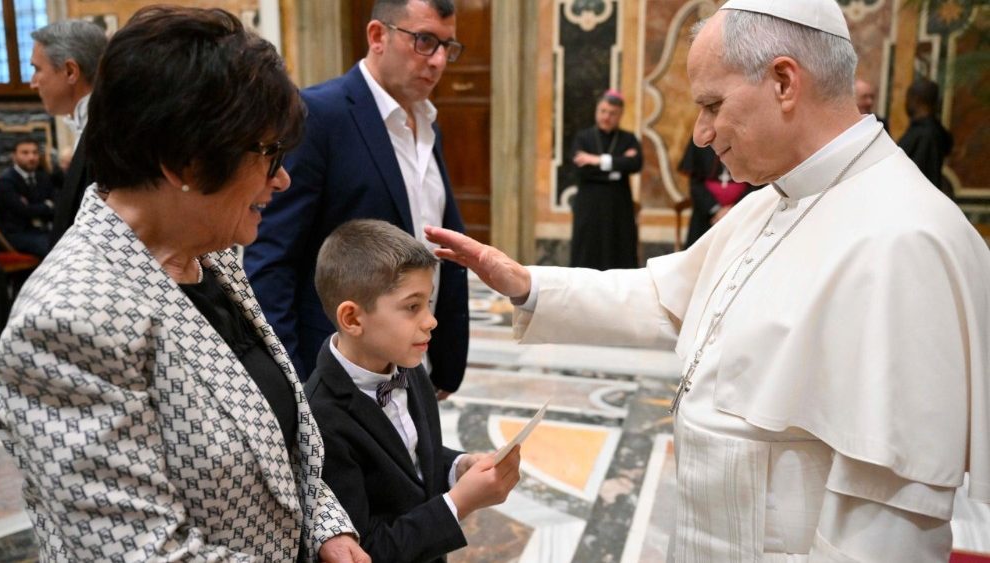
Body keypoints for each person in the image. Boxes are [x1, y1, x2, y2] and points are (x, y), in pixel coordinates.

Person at [424, 0, 990, 560]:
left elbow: (884, 535)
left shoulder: (907, 241)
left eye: (712, 105)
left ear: (784, 81)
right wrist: (524, 282)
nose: (700, 133)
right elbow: (666, 299)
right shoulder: (775, 199)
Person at [0, 7, 369, 561]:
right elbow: (145, 553)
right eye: (268, 155)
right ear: (184, 163)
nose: (282, 178)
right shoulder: (66, 321)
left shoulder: (209, 255)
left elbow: (280, 441)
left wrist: (327, 527)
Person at [244, 0, 469, 398]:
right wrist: (298, 384)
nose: (437, 61)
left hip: (411, 366)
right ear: (378, 35)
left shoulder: (429, 126)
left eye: (447, 47)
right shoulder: (320, 115)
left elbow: (440, 245)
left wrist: (447, 362)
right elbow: (273, 259)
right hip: (339, 372)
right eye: (424, 41)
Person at [305, 219, 521, 562]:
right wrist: (459, 503)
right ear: (352, 319)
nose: (430, 320)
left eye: (428, 303)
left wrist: (459, 467)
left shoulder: (410, 367)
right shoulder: (322, 417)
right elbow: (366, 549)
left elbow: (413, 455)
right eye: (412, 306)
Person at [29, 19, 107, 246]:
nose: (33, 83)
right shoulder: (90, 122)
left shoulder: (107, 134)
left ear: (70, 71)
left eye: (37, 69)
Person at [569, 89, 643, 269]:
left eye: (612, 113)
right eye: (603, 111)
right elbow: (581, 171)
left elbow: (635, 164)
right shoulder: (583, 138)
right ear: (597, 111)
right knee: (587, 253)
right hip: (589, 206)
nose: (606, 117)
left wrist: (596, 160)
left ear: (620, 115)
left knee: (620, 253)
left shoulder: (629, 138)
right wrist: (617, 166)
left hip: (619, 207)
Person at [678, 139, 759, 248]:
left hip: (742, 215)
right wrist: (716, 210)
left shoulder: (750, 136)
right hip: (705, 216)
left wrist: (733, 210)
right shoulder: (704, 136)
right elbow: (695, 184)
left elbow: (758, 182)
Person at [0, 138, 55, 257]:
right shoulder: (5, 181)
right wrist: (46, 205)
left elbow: (57, 206)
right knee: (52, 248)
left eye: (35, 152)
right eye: (25, 153)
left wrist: (33, 207)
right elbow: (23, 211)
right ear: (14, 156)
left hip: (43, 230)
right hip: (18, 234)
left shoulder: (43, 177)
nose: (31, 157)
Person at [899, 77, 954, 198]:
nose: (906, 103)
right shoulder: (932, 131)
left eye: (907, 98)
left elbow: (914, 175)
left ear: (916, 100)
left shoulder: (925, 135)